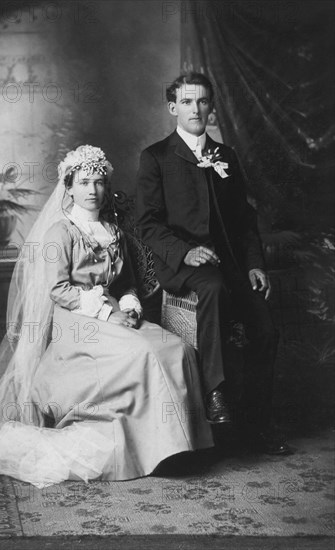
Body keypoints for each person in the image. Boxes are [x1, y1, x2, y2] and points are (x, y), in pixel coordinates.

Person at [0, 145, 213, 487]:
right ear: (70, 186)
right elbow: (58, 289)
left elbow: (127, 284)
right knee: (143, 353)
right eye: (84, 182)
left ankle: (178, 446)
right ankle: (159, 450)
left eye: (100, 182)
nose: (93, 190)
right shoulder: (60, 233)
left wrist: (129, 304)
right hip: (75, 320)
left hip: (114, 313)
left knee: (175, 348)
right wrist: (106, 312)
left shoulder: (114, 231)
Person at [135, 73, 291, 455]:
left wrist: (255, 264)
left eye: (203, 101)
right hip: (184, 264)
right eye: (187, 102)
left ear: (212, 107)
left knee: (266, 329)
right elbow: (146, 223)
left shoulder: (226, 156)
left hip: (231, 264)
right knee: (213, 288)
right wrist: (184, 251)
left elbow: (244, 221)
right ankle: (216, 391)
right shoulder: (156, 156)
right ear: (173, 108)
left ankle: (257, 426)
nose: (196, 109)